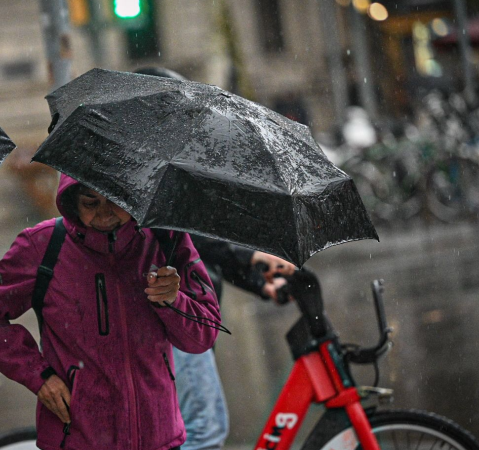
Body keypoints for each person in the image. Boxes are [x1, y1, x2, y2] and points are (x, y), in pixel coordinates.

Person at [0, 175, 220, 450]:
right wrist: (39, 376)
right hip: (77, 439)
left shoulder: (165, 238)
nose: (104, 214)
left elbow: (203, 336)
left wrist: (173, 300)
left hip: (159, 438)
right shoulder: (43, 245)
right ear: (73, 202)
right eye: (90, 202)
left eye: (115, 201)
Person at [133, 66, 297, 450]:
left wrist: (259, 281)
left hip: (180, 316)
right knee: (202, 433)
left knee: (193, 431)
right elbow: (188, 237)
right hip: (167, 318)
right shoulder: (145, 173)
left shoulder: (157, 168)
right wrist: (251, 257)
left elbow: (196, 252)